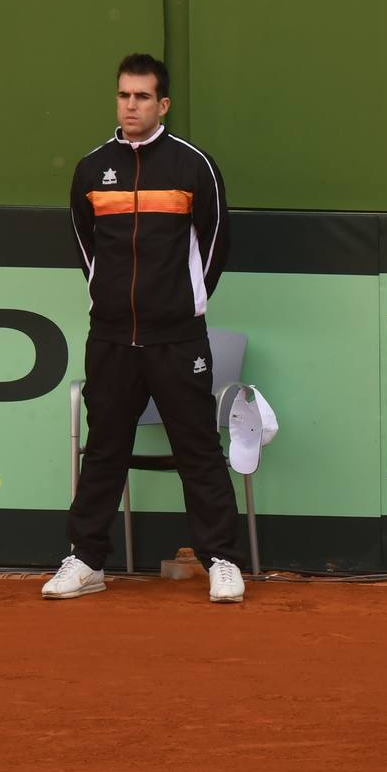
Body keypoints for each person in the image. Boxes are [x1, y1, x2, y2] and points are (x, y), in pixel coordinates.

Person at [42, 53, 246, 604]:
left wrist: (183, 305)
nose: (130, 105)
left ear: (163, 104)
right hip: (110, 338)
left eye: (141, 97)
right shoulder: (91, 170)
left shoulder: (193, 167)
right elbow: (87, 247)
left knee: (197, 445)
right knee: (104, 448)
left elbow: (216, 244)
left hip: (177, 338)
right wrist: (106, 301)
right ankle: (86, 560)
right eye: (123, 96)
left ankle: (221, 559)